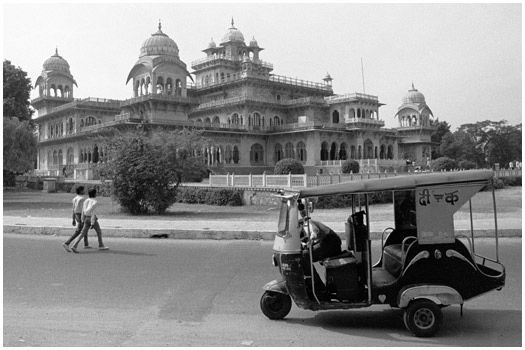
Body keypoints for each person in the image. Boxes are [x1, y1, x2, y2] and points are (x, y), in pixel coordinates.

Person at [70, 188, 109, 253]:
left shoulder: (86, 201)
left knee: (82, 233)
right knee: (98, 231)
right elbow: (93, 212)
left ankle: (74, 245)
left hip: (85, 218)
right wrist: (93, 222)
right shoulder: (94, 202)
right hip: (91, 218)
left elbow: (83, 211)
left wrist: (82, 219)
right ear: (94, 194)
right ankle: (101, 245)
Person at [62, 186, 90, 252]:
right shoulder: (83, 199)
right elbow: (83, 209)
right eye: (83, 190)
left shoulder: (74, 199)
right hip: (81, 215)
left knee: (85, 228)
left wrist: (73, 219)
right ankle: (67, 243)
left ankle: (86, 243)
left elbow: (73, 209)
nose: (85, 191)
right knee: (79, 231)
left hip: (77, 215)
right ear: (81, 191)